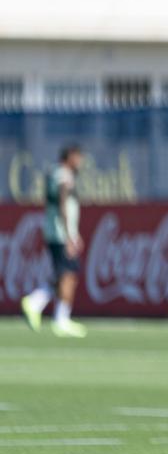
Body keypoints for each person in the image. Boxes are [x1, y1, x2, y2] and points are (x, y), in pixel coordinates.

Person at [21, 144, 88, 339]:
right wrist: (69, 235)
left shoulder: (55, 172)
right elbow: (63, 204)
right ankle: (57, 316)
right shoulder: (64, 176)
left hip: (57, 232)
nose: (81, 162)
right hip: (60, 234)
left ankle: (38, 304)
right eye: (79, 157)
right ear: (70, 156)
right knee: (68, 274)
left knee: (64, 274)